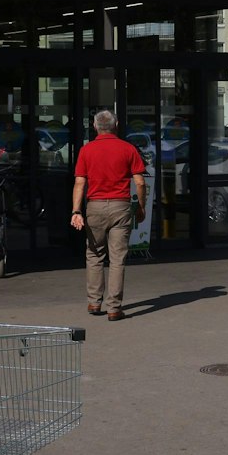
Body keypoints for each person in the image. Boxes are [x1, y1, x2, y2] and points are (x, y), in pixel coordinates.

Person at [70, 109, 147, 320]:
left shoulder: (87, 150)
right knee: (117, 258)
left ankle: (94, 303)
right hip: (121, 206)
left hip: (94, 206)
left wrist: (76, 211)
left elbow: (79, 182)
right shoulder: (128, 149)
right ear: (117, 124)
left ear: (95, 126)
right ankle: (114, 307)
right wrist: (141, 207)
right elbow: (140, 182)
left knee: (94, 255)